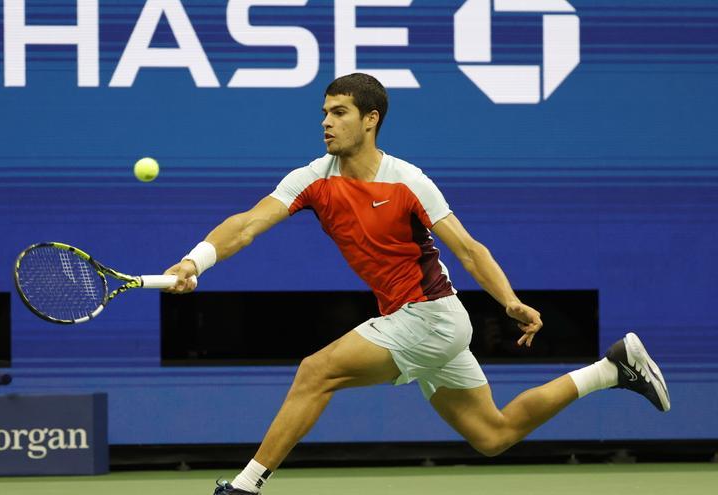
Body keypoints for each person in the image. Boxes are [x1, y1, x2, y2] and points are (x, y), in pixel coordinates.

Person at [162, 73, 670, 495]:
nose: (325, 122)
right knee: (493, 435)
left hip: (431, 316)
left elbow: (469, 249)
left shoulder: (408, 181)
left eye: (338, 112)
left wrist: (510, 302)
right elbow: (247, 223)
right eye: (324, 112)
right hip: (415, 320)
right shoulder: (313, 178)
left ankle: (246, 486)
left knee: (315, 372)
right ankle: (612, 369)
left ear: (370, 119)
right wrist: (194, 261)